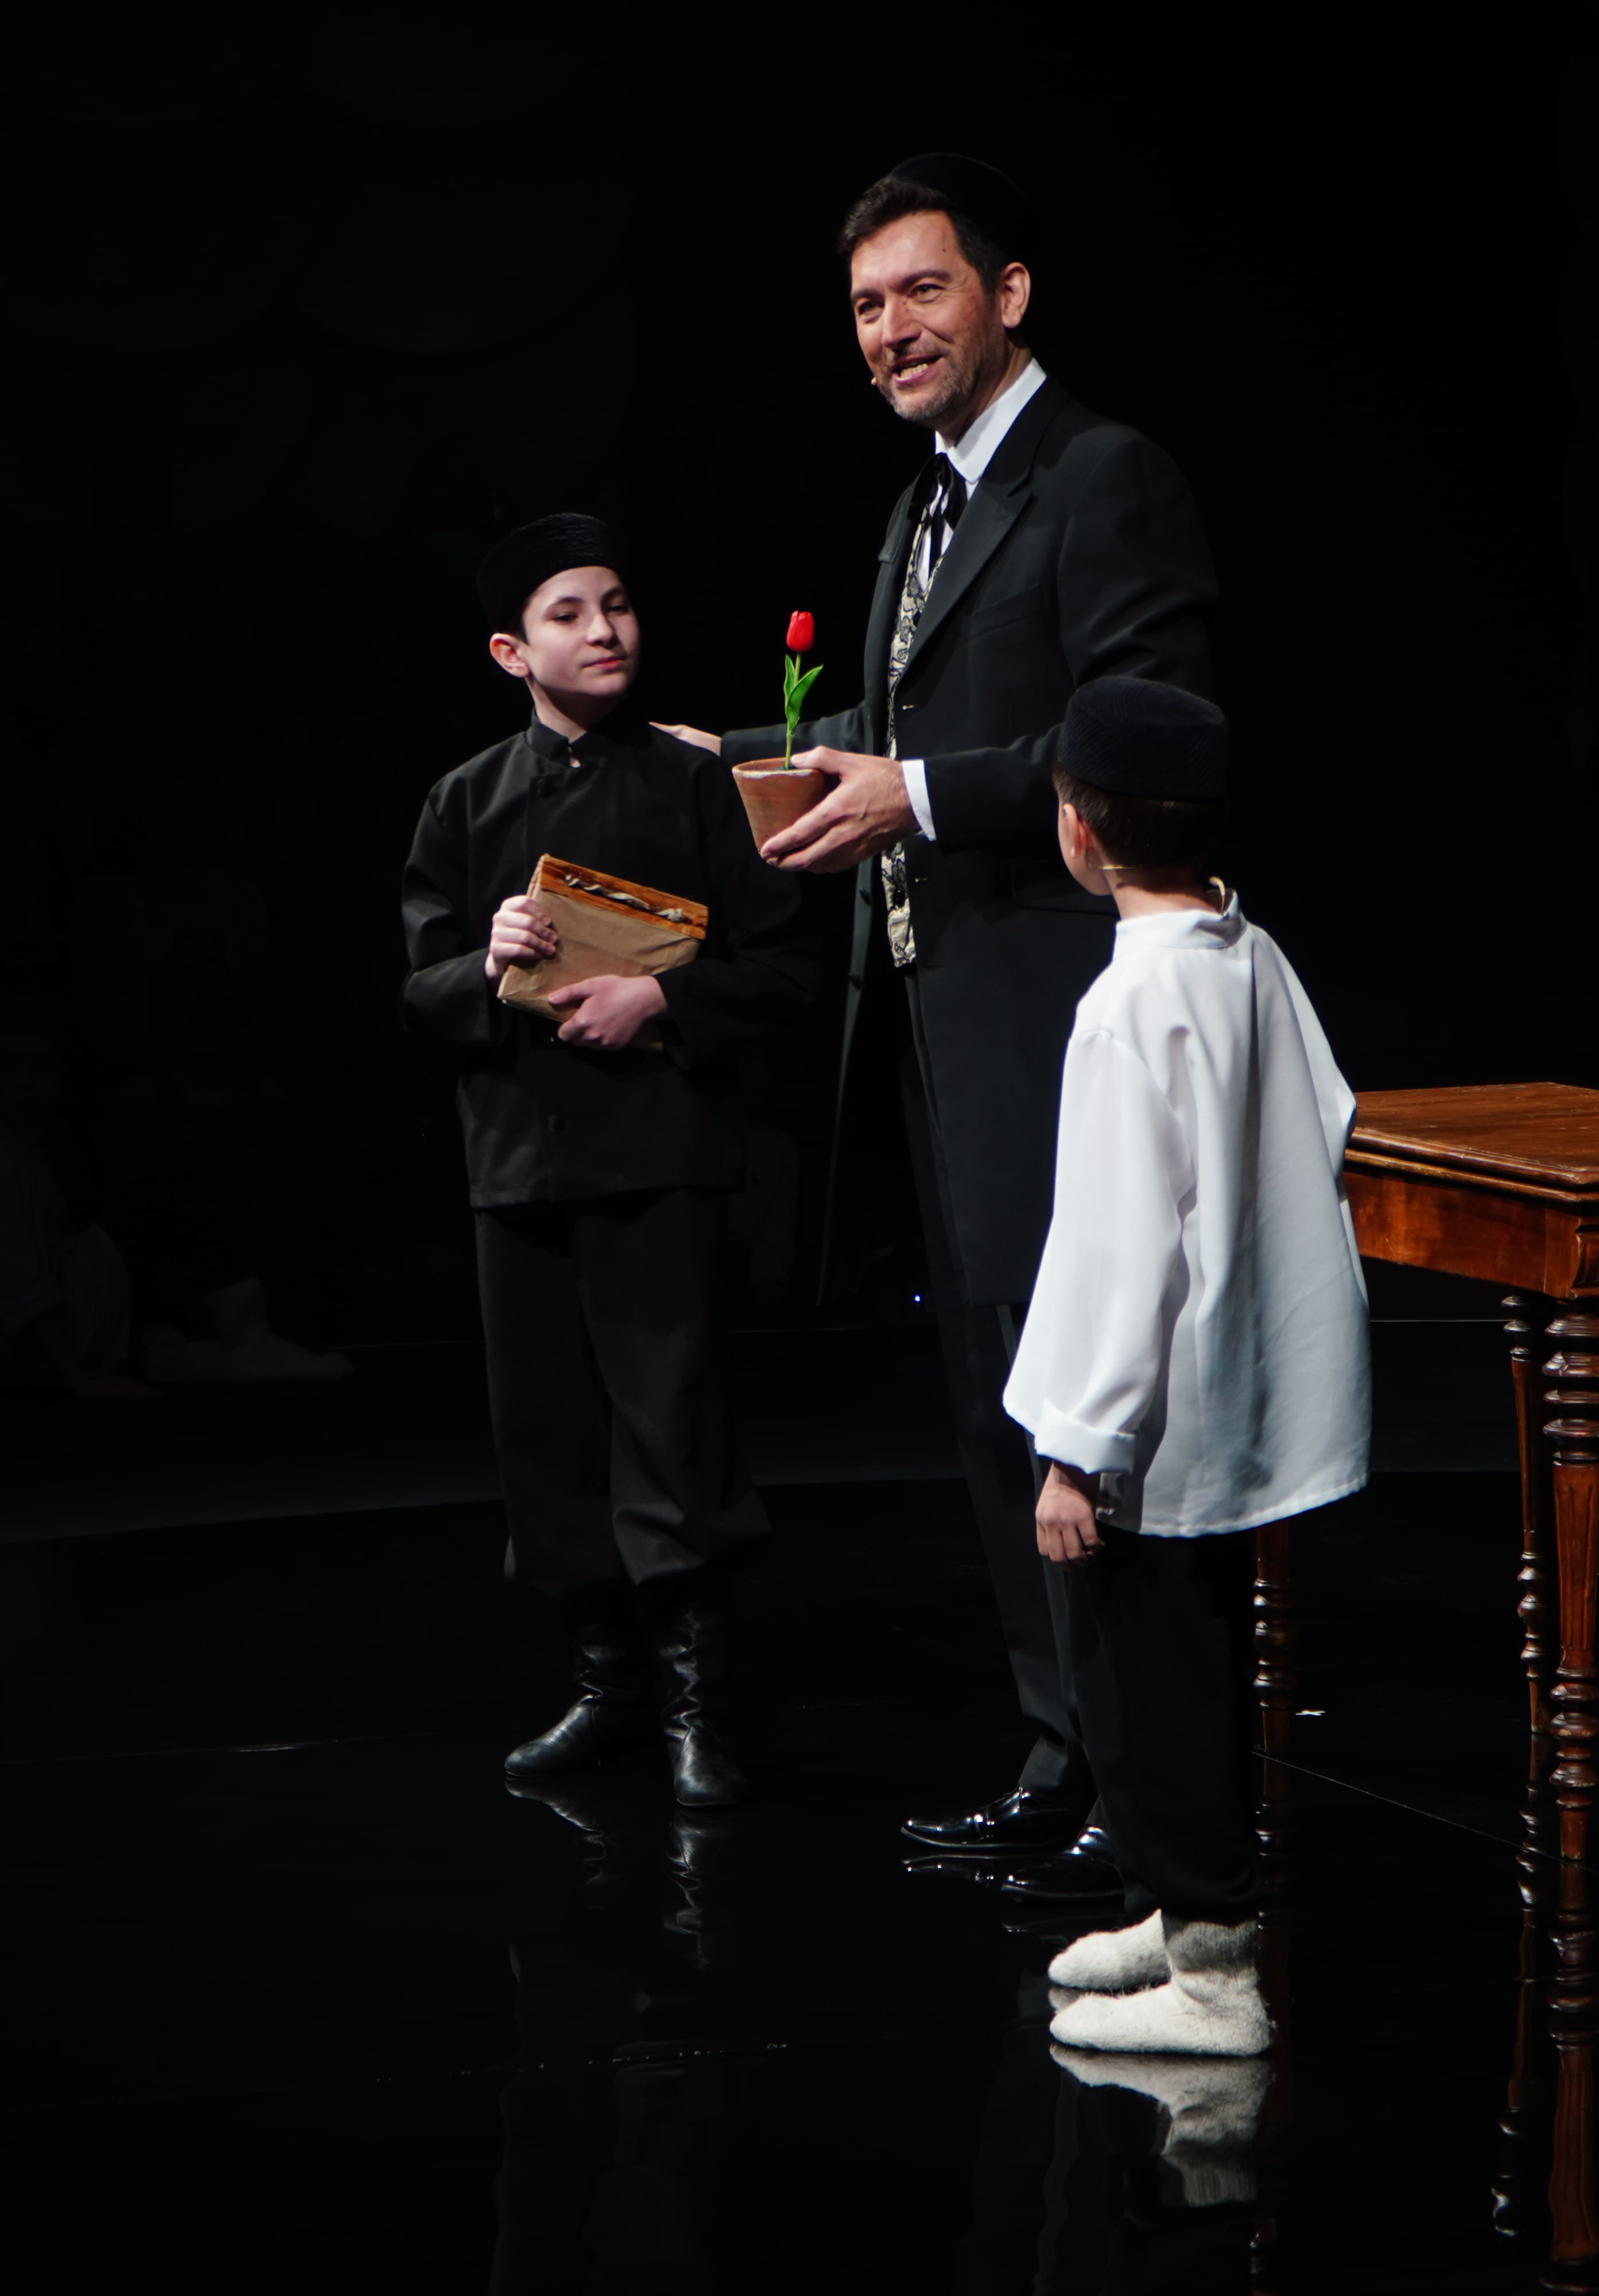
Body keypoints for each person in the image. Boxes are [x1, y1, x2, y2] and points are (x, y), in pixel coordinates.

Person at [677, 154, 1217, 1896]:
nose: (889, 329)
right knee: (1000, 1400)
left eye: (920, 290)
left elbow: (1145, 721)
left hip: (1062, 1007)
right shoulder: (924, 503)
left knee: (1088, 1397)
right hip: (938, 1009)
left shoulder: (1100, 473)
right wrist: (742, 760)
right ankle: (1062, 1749)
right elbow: (908, 717)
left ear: (1008, 292)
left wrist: (912, 791)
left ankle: (1148, 1791)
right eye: (863, 306)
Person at [402, 514, 825, 1809]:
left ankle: (697, 1701)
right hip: (519, 1165)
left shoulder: (695, 784)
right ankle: (606, 1687)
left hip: (660, 1158)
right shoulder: (465, 799)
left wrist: (664, 998)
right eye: (571, 614)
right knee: (547, 1434)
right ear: (510, 651)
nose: (606, 631)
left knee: (675, 1425)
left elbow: (788, 965)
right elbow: (419, 986)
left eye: (619, 605)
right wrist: (484, 960)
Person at [989, 681, 1368, 2057]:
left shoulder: (1128, 1000)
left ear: (1079, 829)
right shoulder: (1246, 948)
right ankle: (1173, 1899)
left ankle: (1213, 1964)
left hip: (1157, 1409)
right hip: (1231, 1377)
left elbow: (1121, 1238)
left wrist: (1075, 1445)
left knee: (1157, 1678)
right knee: (1188, 1657)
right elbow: (1330, 1113)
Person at [0, 1023, 151, 1402]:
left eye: (41, 1067)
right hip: (32, 1351)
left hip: (29, 1348)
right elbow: (20, 1281)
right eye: (9, 1066)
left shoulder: (16, 1148)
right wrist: (79, 1378)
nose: (26, 1081)